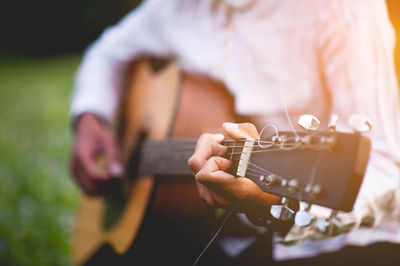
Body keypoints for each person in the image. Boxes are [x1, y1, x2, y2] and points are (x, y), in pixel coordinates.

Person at [70, 0, 400, 264]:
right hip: (211, 229)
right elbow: (107, 52)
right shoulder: (177, 7)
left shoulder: (344, 8)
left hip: (340, 247)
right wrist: (90, 117)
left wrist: (272, 201)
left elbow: (387, 169)